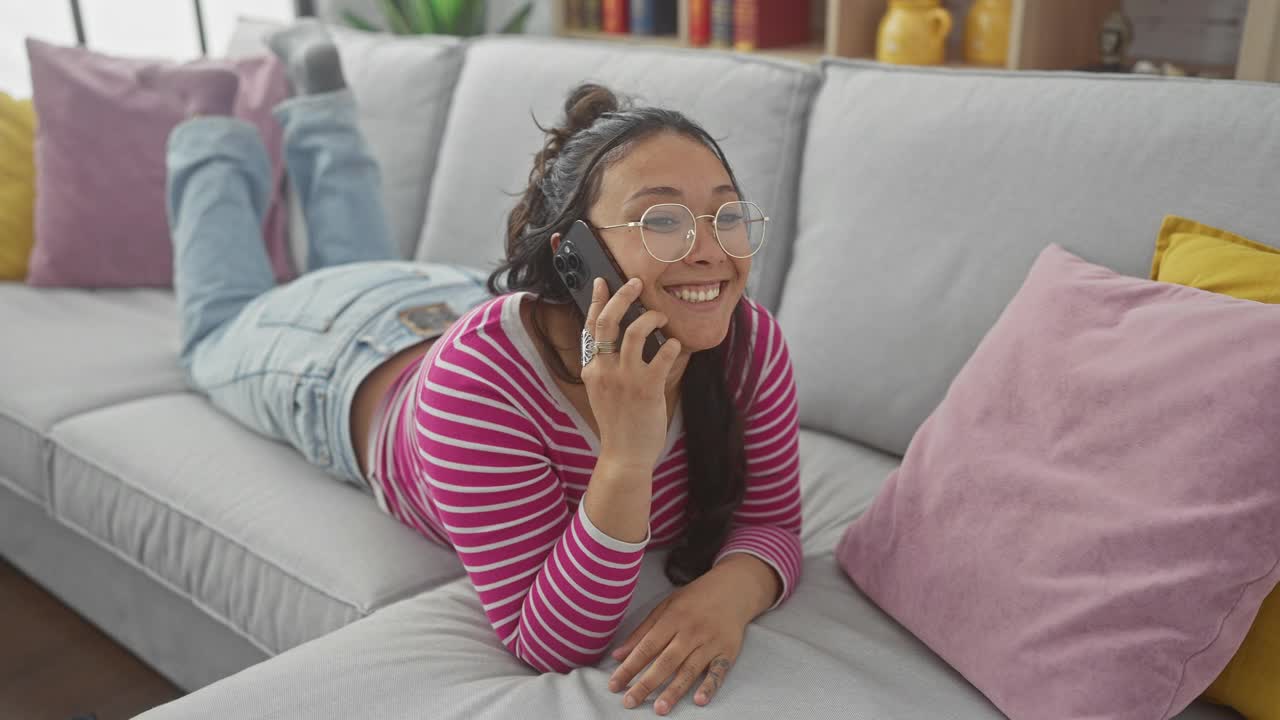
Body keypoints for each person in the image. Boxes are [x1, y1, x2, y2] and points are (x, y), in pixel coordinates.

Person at [166, 20, 801, 716]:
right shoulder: (474, 386)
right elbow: (552, 642)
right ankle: (206, 123)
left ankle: (321, 101)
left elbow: (772, 521)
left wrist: (730, 594)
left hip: (444, 292)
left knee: (356, 261)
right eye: (662, 223)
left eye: (726, 216)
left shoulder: (747, 342)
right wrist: (625, 457)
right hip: (339, 352)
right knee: (214, 327)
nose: (711, 251)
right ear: (575, 255)